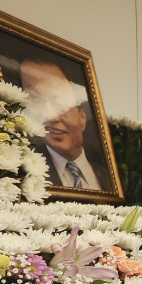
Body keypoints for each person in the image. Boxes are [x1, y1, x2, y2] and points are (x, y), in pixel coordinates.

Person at [19, 57, 110, 191]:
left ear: (82, 118)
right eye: (36, 99)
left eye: (59, 104)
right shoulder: (24, 173)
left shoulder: (108, 175)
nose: (51, 116)